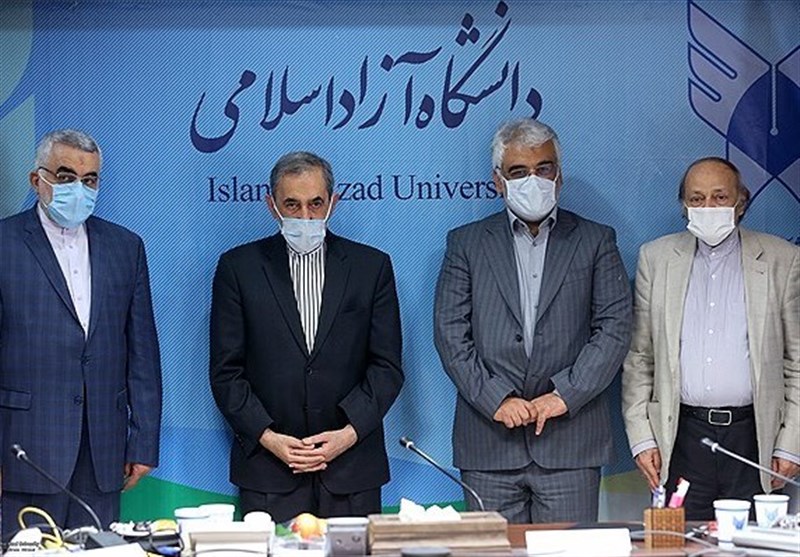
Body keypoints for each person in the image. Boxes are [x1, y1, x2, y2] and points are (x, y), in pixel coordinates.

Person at [433, 118, 632, 523]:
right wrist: (496, 399)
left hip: (570, 443)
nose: (533, 181)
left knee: (567, 551)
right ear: (498, 181)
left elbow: (614, 329)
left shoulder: (596, 240)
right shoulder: (466, 243)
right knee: (492, 553)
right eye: (518, 172)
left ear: (559, 176)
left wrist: (564, 395)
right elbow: (450, 334)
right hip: (489, 443)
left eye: (543, 169)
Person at [209, 151, 403, 523]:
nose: (305, 216)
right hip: (269, 470)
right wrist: (269, 438)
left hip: (352, 470)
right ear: (272, 205)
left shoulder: (371, 266)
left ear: (333, 202)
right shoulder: (238, 268)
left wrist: (347, 435)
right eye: (292, 205)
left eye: (315, 203)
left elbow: (387, 367)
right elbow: (226, 372)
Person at [0, 129, 162, 539]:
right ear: (37, 180)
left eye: (89, 180)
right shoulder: (4, 243)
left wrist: (143, 442)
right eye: (66, 176)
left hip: (102, 451)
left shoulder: (125, 246)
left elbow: (142, 353)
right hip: (24, 451)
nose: (79, 189)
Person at [622, 157, 800, 520]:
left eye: (720, 197)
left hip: (756, 438)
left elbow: (796, 361)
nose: (708, 207)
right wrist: (642, 438)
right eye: (697, 199)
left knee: (755, 542)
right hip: (681, 437)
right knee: (683, 542)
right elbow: (640, 358)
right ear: (684, 205)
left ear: (741, 202)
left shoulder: (783, 259)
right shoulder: (656, 259)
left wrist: (791, 444)